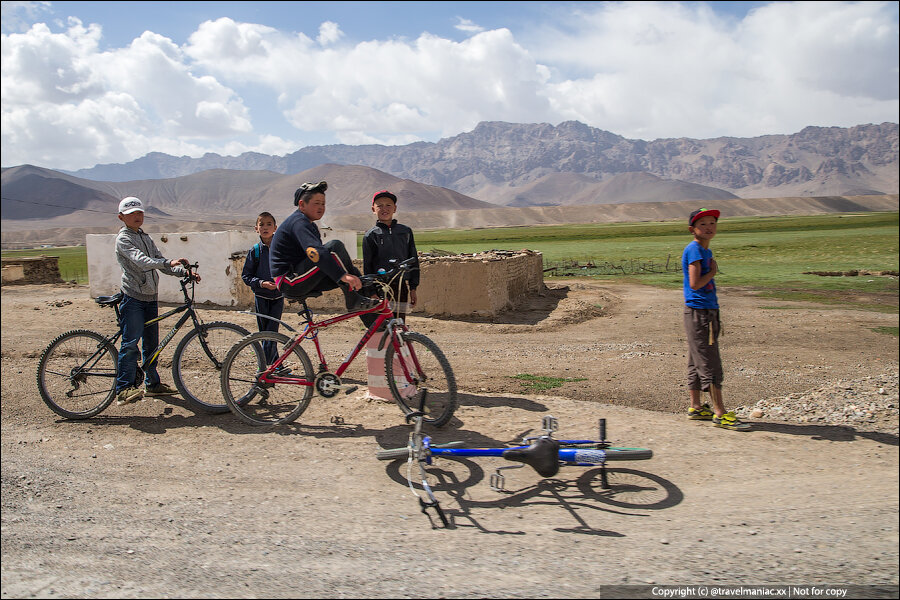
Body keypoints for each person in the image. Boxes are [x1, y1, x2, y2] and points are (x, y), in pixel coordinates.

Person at [114, 196, 199, 406]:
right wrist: (167, 261)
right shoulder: (123, 239)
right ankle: (123, 389)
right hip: (133, 297)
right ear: (121, 217)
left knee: (152, 345)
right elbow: (142, 262)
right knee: (131, 343)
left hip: (150, 298)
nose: (137, 216)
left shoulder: (145, 237)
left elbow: (161, 263)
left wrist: (183, 272)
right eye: (132, 213)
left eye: (140, 212)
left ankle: (152, 384)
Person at [682, 207, 750, 431]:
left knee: (696, 360)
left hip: (702, 311)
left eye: (712, 223)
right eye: (703, 224)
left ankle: (696, 406)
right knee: (710, 363)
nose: (709, 228)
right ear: (692, 229)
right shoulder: (695, 251)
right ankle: (719, 412)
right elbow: (695, 283)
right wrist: (713, 272)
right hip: (701, 312)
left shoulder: (704, 251)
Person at [269, 181, 377, 313]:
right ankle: (355, 301)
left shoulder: (310, 225)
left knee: (354, 275)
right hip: (289, 281)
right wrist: (342, 275)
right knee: (334, 247)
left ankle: (374, 325)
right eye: (317, 203)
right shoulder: (299, 222)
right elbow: (315, 252)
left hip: (299, 275)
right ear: (302, 205)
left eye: (323, 204)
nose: (321, 207)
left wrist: (349, 276)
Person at [362, 189, 419, 323]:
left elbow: (414, 261)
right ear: (373, 209)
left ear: (395, 208)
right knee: (382, 324)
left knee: (399, 323)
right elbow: (367, 266)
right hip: (380, 288)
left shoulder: (405, 232)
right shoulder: (371, 235)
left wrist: (413, 288)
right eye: (379, 205)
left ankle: (398, 344)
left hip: (401, 287)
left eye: (388, 205)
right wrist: (371, 292)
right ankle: (382, 344)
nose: (384, 208)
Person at [241, 212, 285, 369]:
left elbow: (287, 270)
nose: (265, 227)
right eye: (262, 224)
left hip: (278, 297)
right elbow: (246, 276)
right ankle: (273, 366)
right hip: (261, 296)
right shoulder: (255, 251)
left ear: (275, 228)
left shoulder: (280, 249)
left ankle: (267, 366)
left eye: (269, 224)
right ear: (256, 228)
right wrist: (261, 283)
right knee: (265, 333)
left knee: (272, 331)